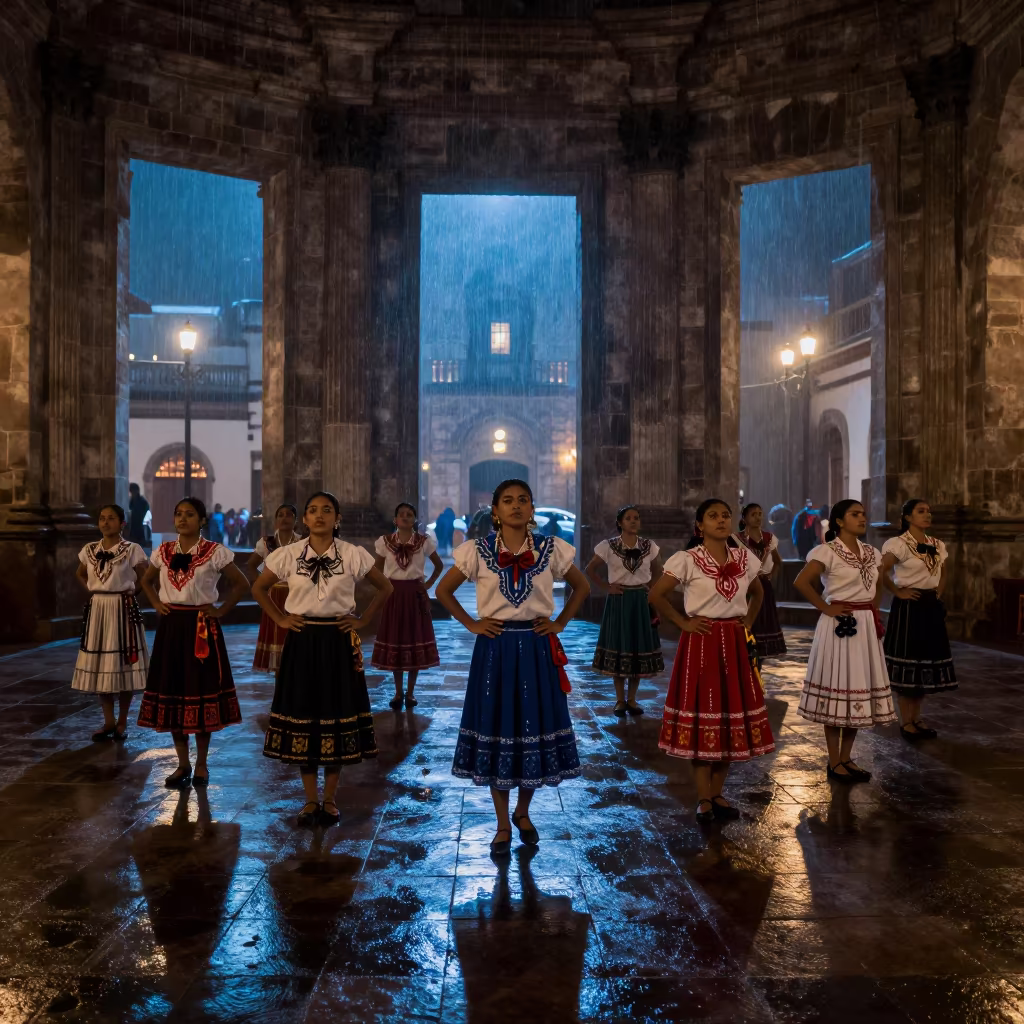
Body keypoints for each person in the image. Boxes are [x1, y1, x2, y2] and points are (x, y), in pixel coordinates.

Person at [435, 478, 591, 855]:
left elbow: (582, 588)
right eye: (508, 500)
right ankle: (503, 823)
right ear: (496, 510)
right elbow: (443, 590)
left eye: (524, 500)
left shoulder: (552, 549)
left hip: (537, 646)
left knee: (532, 727)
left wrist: (559, 623)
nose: (517, 506)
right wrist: (473, 623)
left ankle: (524, 811)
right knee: (498, 725)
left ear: (533, 510)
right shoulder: (477, 550)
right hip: (495, 648)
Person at [253, 491, 393, 827]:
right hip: (301, 639)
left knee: (336, 714)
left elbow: (385, 587)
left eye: (326, 510)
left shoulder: (352, 554)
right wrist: (281, 619)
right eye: (312, 510)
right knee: (304, 713)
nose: (319, 516)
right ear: (304, 519)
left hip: (337, 639)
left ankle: (329, 798)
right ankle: (309, 799)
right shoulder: (287, 555)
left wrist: (361, 620)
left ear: (337, 518)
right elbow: (258, 588)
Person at [649, 498, 774, 824]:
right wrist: (683, 622)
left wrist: (747, 622)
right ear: (700, 526)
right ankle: (704, 798)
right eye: (713, 516)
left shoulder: (744, 557)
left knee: (730, 715)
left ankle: (718, 793)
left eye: (725, 516)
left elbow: (758, 593)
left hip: (733, 641)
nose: (721, 521)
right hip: (701, 642)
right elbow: (656, 595)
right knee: (704, 716)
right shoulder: (688, 559)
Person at [137, 496, 250, 788]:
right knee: (173, 693)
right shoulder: (162, 552)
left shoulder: (214, 552)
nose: (182, 519)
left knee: (200, 692)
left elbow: (241, 584)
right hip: (172, 627)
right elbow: (146, 582)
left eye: (189, 514)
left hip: (201, 627)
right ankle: (182, 763)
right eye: (178, 514)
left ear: (201, 520)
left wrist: (221, 610)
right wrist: (155, 603)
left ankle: (201, 764)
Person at [793, 498, 895, 784]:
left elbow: (875, 585)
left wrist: (871, 611)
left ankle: (846, 758)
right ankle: (833, 759)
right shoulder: (827, 551)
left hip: (863, 624)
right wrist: (826, 607)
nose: (862, 518)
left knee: (858, 688)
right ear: (839, 521)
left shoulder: (872, 552)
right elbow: (801, 582)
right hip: (838, 624)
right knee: (838, 687)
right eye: (855, 514)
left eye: (863, 514)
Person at [72, 503, 150, 741]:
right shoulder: (89, 549)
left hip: (122, 607)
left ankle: (123, 721)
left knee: (123, 663)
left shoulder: (132, 549)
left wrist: (131, 594)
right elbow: (80, 573)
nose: (106, 522)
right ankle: (108, 721)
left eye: (112, 518)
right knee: (100, 665)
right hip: (99, 610)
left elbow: (146, 576)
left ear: (122, 523)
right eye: (102, 518)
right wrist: (93, 593)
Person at [880, 498, 957, 740]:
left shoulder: (937, 543)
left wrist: (937, 594)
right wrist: (898, 591)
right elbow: (882, 570)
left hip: (929, 605)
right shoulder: (898, 543)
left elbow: (943, 572)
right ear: (908, 517)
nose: (927, 515)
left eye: (929, 511)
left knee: (925, 660)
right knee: (909, 660)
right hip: (908, 607)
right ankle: (906, 722)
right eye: (921, 511)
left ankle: (917, 717)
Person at [585, 505, 664, 717]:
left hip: (640, 600)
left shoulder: (649, 546)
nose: (633, 521)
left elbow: (659, 571)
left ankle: (632, 699)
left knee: (636, 648)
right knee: (620, 647)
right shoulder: (608, 546)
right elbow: (590, 569)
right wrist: (606, 587)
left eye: (636, 518)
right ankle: (620, 700)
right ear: (620, 522)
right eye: (628, 518)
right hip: (618, 600)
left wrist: (652, 591)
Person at [372, 502, 444, 709]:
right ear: (395, 520)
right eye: (401, 514)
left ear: (414, 520)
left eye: (409, 514)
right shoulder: (385, 542)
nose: (405, 517)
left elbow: (438, 566)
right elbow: (376, 569)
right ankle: (397, 692)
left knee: (414, 639)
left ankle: (411, 693)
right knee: (396, 638)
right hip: (393, 594)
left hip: (415, 594)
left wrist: (427, 584)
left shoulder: (423, 542)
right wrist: (383, 587)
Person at [247, 503, 299, 674]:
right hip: (274, 595)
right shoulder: (266, 542)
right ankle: (280, 680)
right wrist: (262, 585)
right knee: (277, 636)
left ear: (296, 520)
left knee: (295, 635)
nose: (284, 518)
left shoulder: (302, 542)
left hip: (297, 595)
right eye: (281, 515)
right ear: (275, 520)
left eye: (289, 515)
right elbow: (251, 566)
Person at [735, 503, 787, 659]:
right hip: (745, 585)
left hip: (763, 584)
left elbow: (778, 560)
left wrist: (771, 575)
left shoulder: (769, 538)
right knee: (746, 619)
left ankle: (759, 657)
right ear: (744, 518)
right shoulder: (736, 539)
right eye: (753, 514)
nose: (758, 517)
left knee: (763, 620)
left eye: (760, 514)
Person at [127, 483, 151, 550]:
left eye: (133, 490)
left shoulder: (142, 500)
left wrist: (142, 515)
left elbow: (146, 507)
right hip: (134, 521)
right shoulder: (132, 499)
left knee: (140, 538)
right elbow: (130, 507)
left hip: (140, 521)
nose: (132, 493)